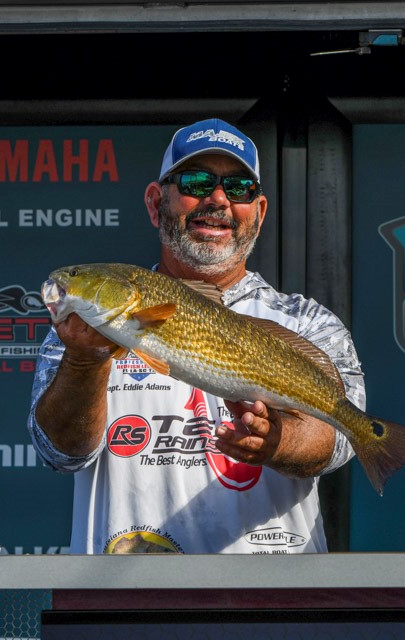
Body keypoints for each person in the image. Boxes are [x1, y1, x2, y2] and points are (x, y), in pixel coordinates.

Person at [28, 118, 360, 554]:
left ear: (258, 214)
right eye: (197, 181)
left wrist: (278, 442)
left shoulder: (308, 321)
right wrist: (85, 360)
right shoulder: (84, 325)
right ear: (155, 203)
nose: (218, 199)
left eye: (238, 187)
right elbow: (60, 452)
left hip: (271, 600)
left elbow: (340, 442)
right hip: (121, 597)